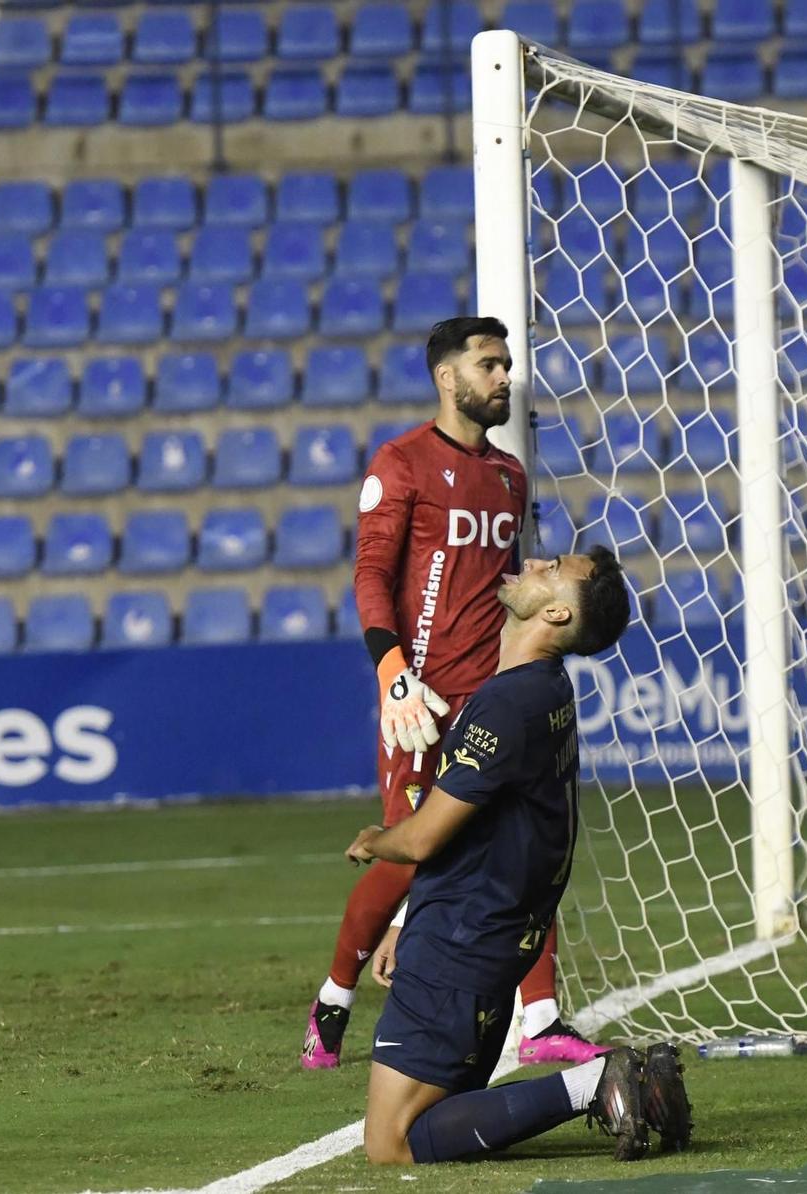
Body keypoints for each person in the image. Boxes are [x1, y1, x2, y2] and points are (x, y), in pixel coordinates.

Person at [302, 316, 606, 1070]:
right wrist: (393, 675)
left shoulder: (509, 476)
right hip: (421, 700)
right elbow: (371, 575)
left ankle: (541, 1019)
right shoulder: (401, 462)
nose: (504, 377)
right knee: (409, 853)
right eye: (489, 365)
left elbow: (507, 585)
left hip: (495, 693)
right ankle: (333, 1001)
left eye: (506, 365)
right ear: (447, 377)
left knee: (523, 845)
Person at [348, 547, 692, 1164]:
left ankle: (598, 1082)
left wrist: (376, 840)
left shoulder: (508, 705)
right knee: (440, 1117)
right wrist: (407, 919)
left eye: (552, 568)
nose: (533, 561)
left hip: (460, 943)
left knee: (391, 1142)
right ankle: (641, 1088)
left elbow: (424, 837)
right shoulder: (544, 689)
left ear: (557, 613)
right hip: (490, 938)